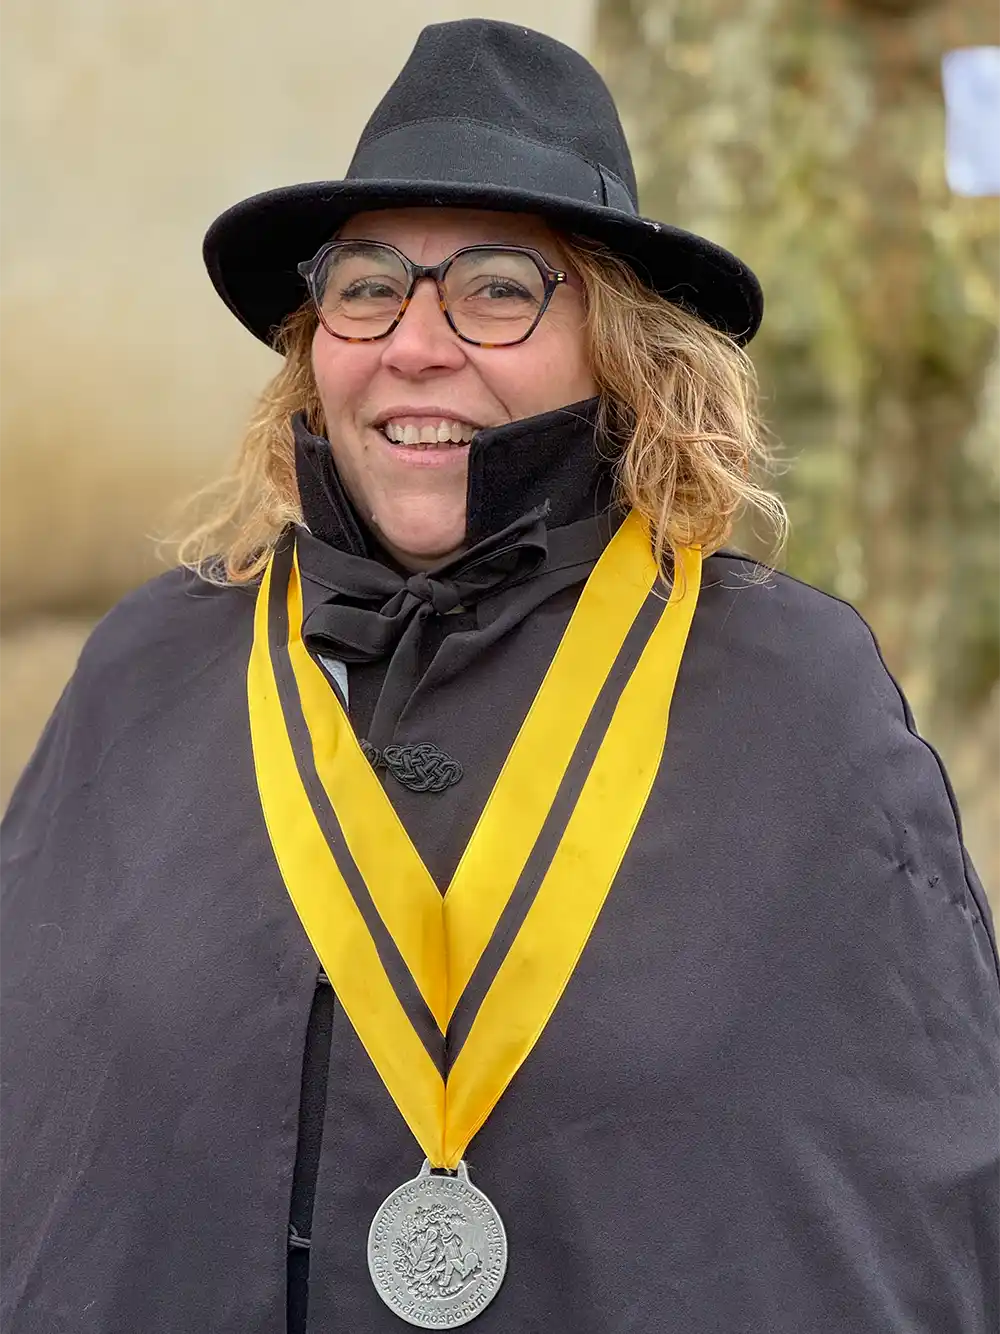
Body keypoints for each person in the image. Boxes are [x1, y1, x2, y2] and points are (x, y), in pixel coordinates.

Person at [1, 18, 998, 1334]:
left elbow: (885, 1229)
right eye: (368, 284)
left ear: (622, 341)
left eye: (496, 286)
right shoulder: (146, 676)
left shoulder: (796, 702)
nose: (416, 342)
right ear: (317, 336)